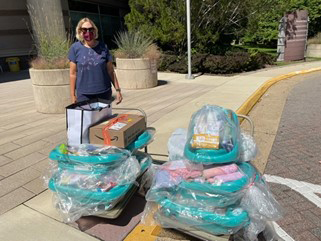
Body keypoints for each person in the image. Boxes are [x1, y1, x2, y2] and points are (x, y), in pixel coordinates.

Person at [68, 18, 122, 104]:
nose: (88, 32)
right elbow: (73, 74)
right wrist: (72, 95)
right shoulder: (75, 48)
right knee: (87, 117)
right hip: (84, 95)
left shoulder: (103, 47)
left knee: (105, 117)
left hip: (104, 92)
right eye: (84, 29)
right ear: (80, 31)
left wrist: (118, 90)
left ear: (95, 30)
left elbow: (111, 71)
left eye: (90, 29)